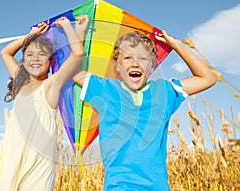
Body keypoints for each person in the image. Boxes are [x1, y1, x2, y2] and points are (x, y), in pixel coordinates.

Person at [73, 30, 216, 190]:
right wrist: (79, 31)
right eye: (127, 58)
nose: (135, 63)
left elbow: (207, 78)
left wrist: (176, 45)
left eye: (142, 58)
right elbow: (72, 70)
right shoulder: (105, 90)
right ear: (117, 66)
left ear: (153, 65)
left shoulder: (164, 91)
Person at [0, 15, 89, 191]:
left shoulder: (51, 85)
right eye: (29, 54)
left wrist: (70, 28)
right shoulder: (21, 83)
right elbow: (5, 52)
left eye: (42, 55)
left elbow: (78, 54)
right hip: (9, 159)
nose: (35, 59)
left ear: (51, 61)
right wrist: (31, 35)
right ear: (24, 61)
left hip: (38, 165)